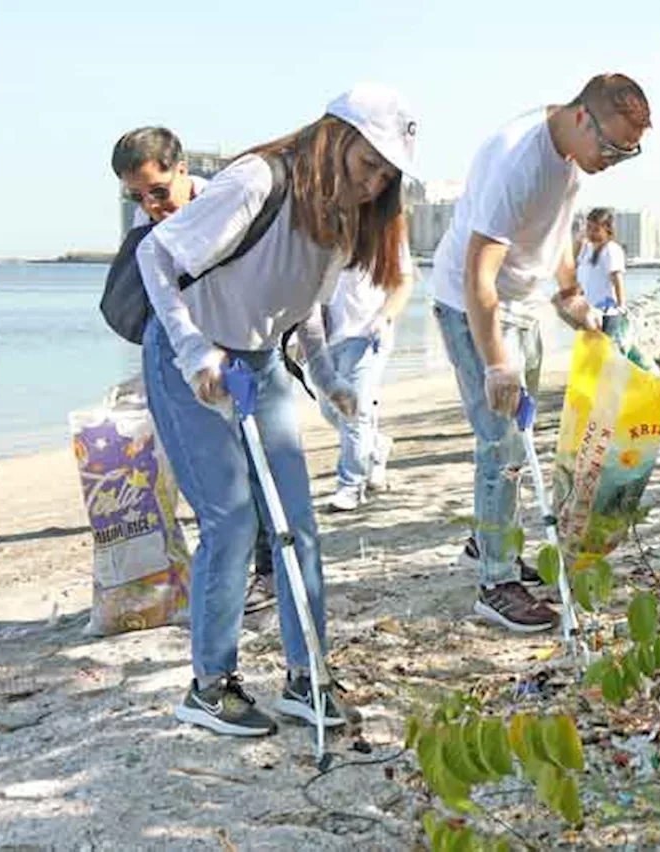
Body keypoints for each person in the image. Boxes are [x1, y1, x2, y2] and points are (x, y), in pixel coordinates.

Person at [136, 83, 417, 737]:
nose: (375, 183)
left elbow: (305, 310)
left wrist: (326, 380)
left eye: (387, 174)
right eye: (368, 163)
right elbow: (157, 256)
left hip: (261, 364)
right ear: (335, 138)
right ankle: (210, 686)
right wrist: (193, 353)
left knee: (298, 524)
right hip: (194, 357)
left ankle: (306, 676)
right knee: (231, 521)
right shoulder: (258, 181)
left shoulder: (343, 216)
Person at [430, 73, 651, 633]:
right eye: (612, 148)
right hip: (473, 307)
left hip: (522, 307)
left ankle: (490, 543)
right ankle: (495, 583)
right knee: (501, 439)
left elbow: (555, 239)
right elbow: (478, 273)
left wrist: (571, 298)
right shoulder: (518, 160)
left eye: (628, 153)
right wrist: (498, 363)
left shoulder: (572, 159)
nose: (615, 160)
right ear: (583, 118)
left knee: (521, 433)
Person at [111, 127, 277, 614]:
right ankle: (224, 576)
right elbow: (154, 312)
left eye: (159, 191)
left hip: (244, 350)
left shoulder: (226, 204)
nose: (151, 204)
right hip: (190, 360)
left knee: (258, 462)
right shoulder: (150, 232)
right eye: (137, 197)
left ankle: (266, 574)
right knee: (212, 481)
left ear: (182, 169)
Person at [319, 238, 415, 512]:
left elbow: (403, 282)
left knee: (353, 412)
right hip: (326, 338)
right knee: (329, 411)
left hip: (366, 334)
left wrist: (385, 317)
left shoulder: (385, 230)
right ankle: (375, 446)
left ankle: (350, 487)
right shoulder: (323, 227)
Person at [575, 207, 626, 308]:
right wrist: (578, 241)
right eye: (588, 228)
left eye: (596, 230)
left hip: (604, 308)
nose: (591, 233)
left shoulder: (611, 249)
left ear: (607, 229)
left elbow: (617, 279)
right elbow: (574, 268)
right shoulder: (586, 247)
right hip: (587, 309)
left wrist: (621, 307)